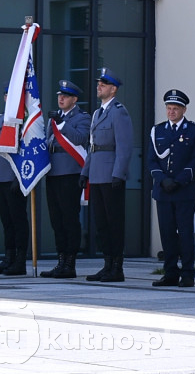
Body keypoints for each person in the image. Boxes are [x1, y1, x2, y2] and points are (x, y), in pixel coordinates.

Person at [148, 89, 195, 287]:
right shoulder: (158, 130)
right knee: (167, 233)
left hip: (184, 191)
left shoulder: (194, 130)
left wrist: (179, 180)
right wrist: (163, 180)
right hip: (163, 190)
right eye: (169, 108)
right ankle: (170, 272)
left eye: (175, 108)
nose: (171, 112)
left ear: (184, 109)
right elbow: (152, 160)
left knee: (185, 233)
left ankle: (188, 273)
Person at [81, 68, 133, 283]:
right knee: (101, 223)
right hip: (96, 173)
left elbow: (124, 145)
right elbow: (93, 146)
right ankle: (106, 264)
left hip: (111, 174)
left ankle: (116, 267)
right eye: (98, 83)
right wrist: (85, 173)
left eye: (103, 84)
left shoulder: (118, 112)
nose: (98, 87)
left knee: (114, 222)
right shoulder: (97, 113)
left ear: (113, 89)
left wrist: (118, 174)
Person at [42, 80, 90, 279]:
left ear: (74, 99)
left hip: (70, 172)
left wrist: (61, 124)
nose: (61, 99)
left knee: (70, 218)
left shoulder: (82, 117)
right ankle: (60, 260)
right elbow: (48, 142)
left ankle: (70, 262)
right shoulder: (54, 119)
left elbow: (80, 138)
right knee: (56, 219)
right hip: (53, 172)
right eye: (59, 95)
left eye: (65, 96)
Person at [0, 88, 30, 276]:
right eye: (6, 96)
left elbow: (26, 152)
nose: (7, 99)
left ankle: (20, 261)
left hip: (15, 179)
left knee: (18, 220)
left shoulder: (24, 121)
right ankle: (8, 257)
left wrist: (18, 177)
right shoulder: (0, 119)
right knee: (6, 221)